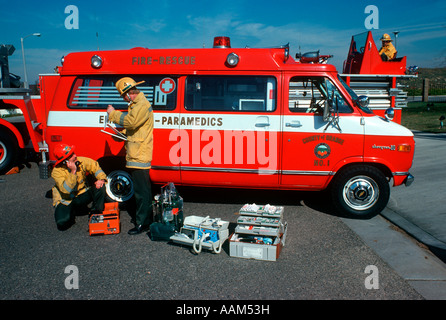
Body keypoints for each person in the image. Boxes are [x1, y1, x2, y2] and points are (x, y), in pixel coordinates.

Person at [107, 77, 154, 235]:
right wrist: (121, 134)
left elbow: (131, 122)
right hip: (137, 153)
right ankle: (146, 220)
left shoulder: (141, 104)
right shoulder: (138, 104)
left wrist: (113, 114)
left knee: (142, 193)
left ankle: (142, 223)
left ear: (128, 93)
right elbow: (135, 128)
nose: (123, 99)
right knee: (143, 191)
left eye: (123, 96)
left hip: (139, 155)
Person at [51, 144, 107, 231]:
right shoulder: (56, 172)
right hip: (66, 200)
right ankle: (73, 210)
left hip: (81, 194)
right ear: (65, 161)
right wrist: (73, 171)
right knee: (62, 224)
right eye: (71, 155)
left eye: (73, 153)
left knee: (100, 188)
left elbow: (95, 166)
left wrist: (101, 179)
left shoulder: (80, 161)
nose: (75, 156)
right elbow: (67, 190)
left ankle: (96, 213)